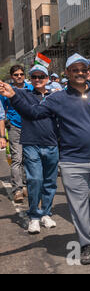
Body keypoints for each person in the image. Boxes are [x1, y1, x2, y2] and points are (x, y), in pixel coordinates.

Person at [0, 53, 90, 265]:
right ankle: (85, 243)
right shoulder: (56, 99)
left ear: (88, 72)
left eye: (83, 69)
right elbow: (32, 113)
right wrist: (13, 96)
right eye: (74, 70)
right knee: (78, 206)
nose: (80, 73)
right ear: (67, 73)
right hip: (71, 162)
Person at [10, 65, 60, 234]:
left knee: (50, 182)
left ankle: (46, 213)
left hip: (52, 144)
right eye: (34, 77)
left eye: (41, 76)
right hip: (31, 144)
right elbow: (11, 92)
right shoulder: (23, 94)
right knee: (35, 180)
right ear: (29, 79)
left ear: (47, 78)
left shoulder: (56, 96)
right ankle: (34, 217)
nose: (37, 80)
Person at [0, 65, 33, 203]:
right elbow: (1, 115)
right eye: (16, 75)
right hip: (15, 128)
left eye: (21, 74)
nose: (19, 76)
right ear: (12, 76)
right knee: (17, 158)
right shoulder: (5, 91)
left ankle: (25, 185)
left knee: (28, 158)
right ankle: (17, 189)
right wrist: (2, 136)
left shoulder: (31, 89)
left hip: (31, 127)